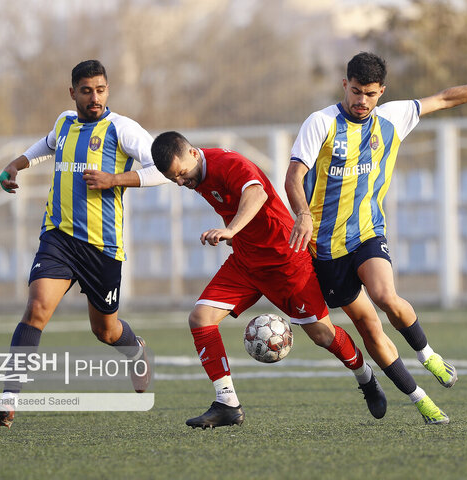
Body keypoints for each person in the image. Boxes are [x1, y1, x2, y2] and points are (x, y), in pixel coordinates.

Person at [286, 52, 467, 424]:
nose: (362, 101)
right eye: (355, 92)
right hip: (325, 248)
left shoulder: (392, 117)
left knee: (385, 295)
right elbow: (293, 176)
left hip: (368, 232)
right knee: (369, 328)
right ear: (344, 85)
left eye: (370, 94)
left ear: (381, 92)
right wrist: (303, 214)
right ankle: (420, 399)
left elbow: (446, 98)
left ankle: (428, 354)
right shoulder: (320, 123)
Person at [148, 131, 387, 429]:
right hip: (246, 263)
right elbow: (155, 174)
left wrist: (232, 230)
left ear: (194, 153)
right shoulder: (192, 169)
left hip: (285, 261)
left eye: (182, 175)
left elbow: (257, 193)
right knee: (200, 319)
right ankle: (227, 404)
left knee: (323, 335)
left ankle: (365, 378)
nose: (182, 182)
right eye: (175, 180)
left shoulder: (227, 163)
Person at [0, 60, 169, 428]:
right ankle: (8, 399)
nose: (95, 98)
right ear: (73, 92)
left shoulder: (122, 128)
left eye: (101, 90)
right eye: (87, 91)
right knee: (37, 307)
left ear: (108, 89)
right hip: (58, 236)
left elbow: (164, 167)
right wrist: (16, 163)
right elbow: (47, 144)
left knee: (105, 331)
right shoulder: (64, 122)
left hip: (101, 247)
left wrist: (115, 178)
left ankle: (137, 353)